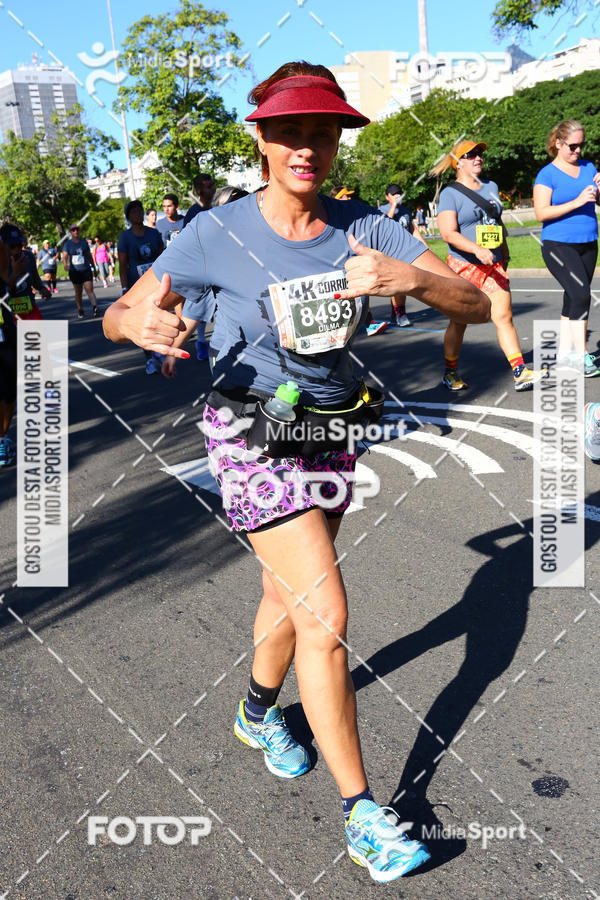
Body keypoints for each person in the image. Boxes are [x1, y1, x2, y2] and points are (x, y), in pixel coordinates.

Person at [104, 61, 490, 883]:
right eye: (290, 131)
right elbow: (122, 310)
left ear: (338, 139)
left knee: (287, 594)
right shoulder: (214, 231)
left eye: (323, 130)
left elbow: (473, 302)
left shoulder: (366, 227)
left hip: (334, 422)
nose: (307, 146)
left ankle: (255, 714)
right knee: (325, 610)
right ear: (262, 138)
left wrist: (410, 277)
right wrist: (139, 326)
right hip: (247, 424)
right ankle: (365, 816)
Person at [432, 140, 543, 391]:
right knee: (459, 322)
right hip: (464, 265)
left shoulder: (491, 186)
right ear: (457, 163)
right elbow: (448, 233)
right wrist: (476, 249)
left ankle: (519, 371)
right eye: (470, 155)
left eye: (480, 153)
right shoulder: (450, 193)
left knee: (504, 316)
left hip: (493, 264)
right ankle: (450, 372)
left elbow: (496, 222)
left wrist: (503, 251)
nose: (478, 157)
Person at [533, 119, 600, 377]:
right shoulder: (547, 174)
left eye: (581, 145)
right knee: (582, 295)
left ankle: (563, 353)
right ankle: (580, 355)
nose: (578, 151)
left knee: (573, 296)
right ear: (558, 143)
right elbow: (541, 212)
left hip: (588, 242)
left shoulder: (588, 167)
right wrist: (577, 201)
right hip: (558, 244)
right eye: (572, 146)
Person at [162, 185, 249, 378]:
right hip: (229, 357)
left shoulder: (264, 252)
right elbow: (194, 311)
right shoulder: (216, 261)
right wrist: (171, 353)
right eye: (237, 210)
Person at [0, 224, 51, 466]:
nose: (16, 251)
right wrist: (10, 278)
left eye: (19, 245)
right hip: (7, 317)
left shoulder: (28, 257)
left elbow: (33, 278)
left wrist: (41, 288)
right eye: (11, 247)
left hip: (26, 310)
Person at [116, 199, 165, 374]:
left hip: (156, 282)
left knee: (160, 315)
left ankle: (159, 350)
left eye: (139, 211)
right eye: (133, 212)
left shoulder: (153, 233)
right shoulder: (125, 237)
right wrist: (124, 288)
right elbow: (122, 265)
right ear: (128, 217)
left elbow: (162, 257)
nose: (137, 214)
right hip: (136, 286)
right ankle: (150, 357)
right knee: (143, 321)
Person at [378, 184, 427, 327]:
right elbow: (385, 224)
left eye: (399, 193)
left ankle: (397, 312)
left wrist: (425, 246)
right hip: (390, 252)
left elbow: (413, 229)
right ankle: (400, 313)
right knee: (399, 283)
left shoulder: (405, 210)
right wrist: (393, 206)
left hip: (406, 251)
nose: (397, 196)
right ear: (387, 197)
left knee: (403, 283)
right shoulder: (383, 210)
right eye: (394, 194)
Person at [62, 224, 101, 318]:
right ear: (71, 232)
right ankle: (80, 309)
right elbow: (65, 256)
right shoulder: (68, 244)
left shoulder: (83, 242)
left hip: (85, 269)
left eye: (77, 230)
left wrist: (94, 268)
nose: (76, 231)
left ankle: (95, 307)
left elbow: (89, 255)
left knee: (89, 289)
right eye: (73, 230)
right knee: (78, 292)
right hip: (74, 271)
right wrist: (65, 264)